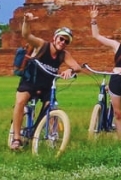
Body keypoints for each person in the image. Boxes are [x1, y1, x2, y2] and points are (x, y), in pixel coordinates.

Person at [10, 12, 81, 150]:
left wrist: (70, 70)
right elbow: (26, 35)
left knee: (51, 106)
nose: (63, 42)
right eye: (61, 39)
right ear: (55, 38)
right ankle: (16, 138)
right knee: (20, 101)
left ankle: (38, 131)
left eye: (66, 41)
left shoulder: (64, 54)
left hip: (47, 87)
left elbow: (77, 67)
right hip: (30, 82)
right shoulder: (42, 45)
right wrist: (26, 21)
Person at [89, 5, 121, 139]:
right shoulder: (116, 45)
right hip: (115, 80)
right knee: (118, 113)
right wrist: (93, 20)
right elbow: (96, 36)